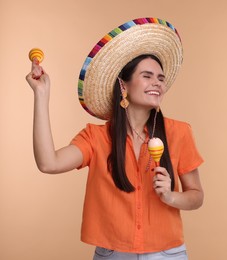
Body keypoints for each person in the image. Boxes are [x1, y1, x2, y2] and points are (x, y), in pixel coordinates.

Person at [25, 18, 204, 260]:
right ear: (124, 84)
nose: (157, 84)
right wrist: (41, 95)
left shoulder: (179, 132)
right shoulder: (96, 137)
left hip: (168, 254)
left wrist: (171, 196)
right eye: (147, 76)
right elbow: (49, 163)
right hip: (113, 254)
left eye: (161, 78)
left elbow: (196, 196)